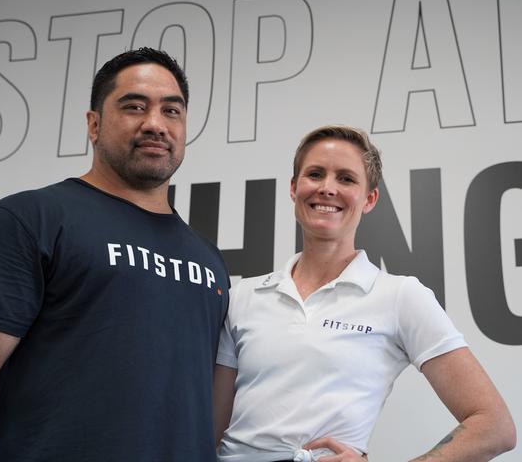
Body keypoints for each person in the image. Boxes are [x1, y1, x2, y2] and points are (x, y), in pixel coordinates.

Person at [0, 47, 230, 462]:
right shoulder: (32, 217)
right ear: (94, 124)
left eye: (172, 111)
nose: (155, 124)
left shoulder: (208, 260)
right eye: (134, 106)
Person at [213, 125, 516, 462]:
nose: (327, 188)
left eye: (346, 179)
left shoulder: (399, 296)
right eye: (315, 174)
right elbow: (209, 429)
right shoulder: (243, 296)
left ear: (369, 199)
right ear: (294, 187)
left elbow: (495, 427)